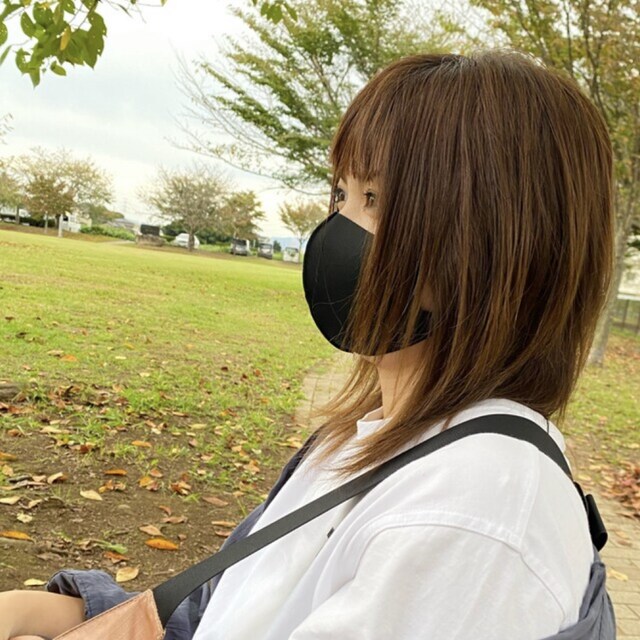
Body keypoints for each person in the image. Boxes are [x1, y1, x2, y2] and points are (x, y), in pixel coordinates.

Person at [0, 50, 614, 640]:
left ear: (488, 242)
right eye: (340, 193)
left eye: (374, 199)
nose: (338, 227)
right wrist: (56, 611)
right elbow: (238, 608)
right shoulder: (378, 435)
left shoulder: (470, 516)